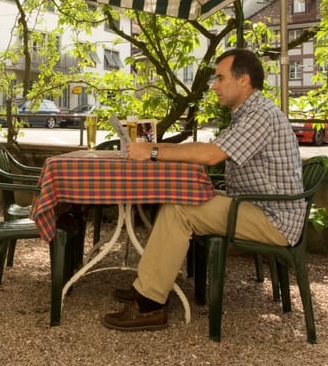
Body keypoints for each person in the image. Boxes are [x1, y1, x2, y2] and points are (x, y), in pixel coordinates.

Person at [102, 48, 304, 332]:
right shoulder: (250, 113)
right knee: (180, 200)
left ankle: (149, 306)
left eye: (221, 78)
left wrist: (152, 150)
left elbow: (211, 155)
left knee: (181, 209)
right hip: (257, 205)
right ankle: (147, 286)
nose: (214, 86)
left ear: (243, 80)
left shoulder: (261, 115)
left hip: (272, 218)